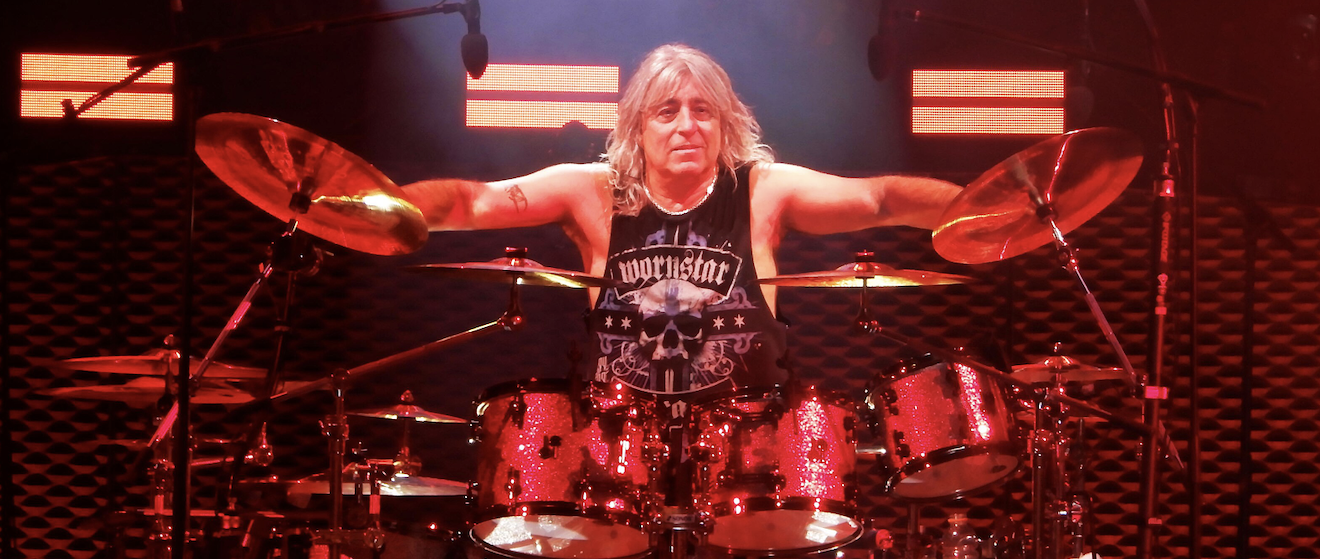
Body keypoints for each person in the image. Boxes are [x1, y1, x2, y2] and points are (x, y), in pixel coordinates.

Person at [401, 42, 965, 401]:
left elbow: (882, 200)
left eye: (704, 111)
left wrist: (988, 212)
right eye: (667, 112)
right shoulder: (593, 191)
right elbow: (473, 203)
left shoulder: (764, 190)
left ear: (725, 124)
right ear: (636, 128)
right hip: (617, 450)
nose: (687, 126)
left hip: (748, 451)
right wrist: (371, 208)